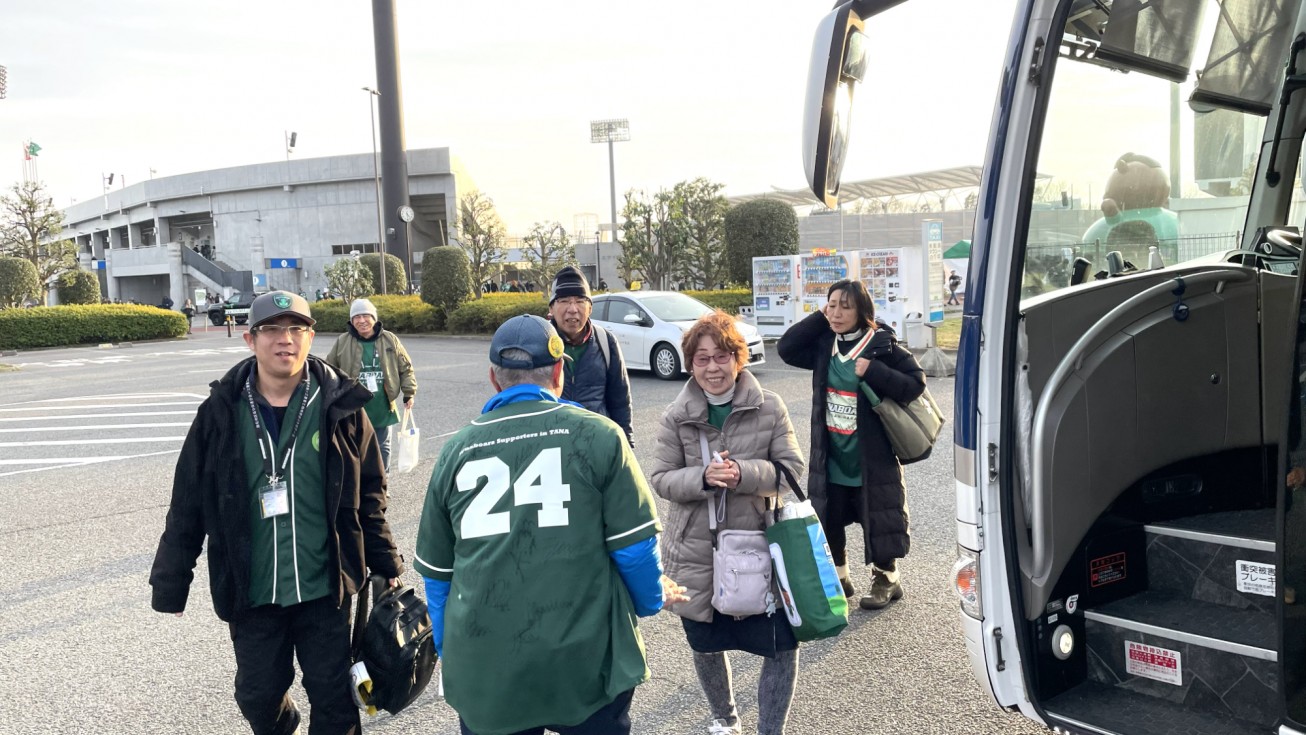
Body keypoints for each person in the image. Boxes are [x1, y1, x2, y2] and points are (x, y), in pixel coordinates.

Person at [414, 314, 686, 735]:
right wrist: (651, 599)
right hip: (586, 658)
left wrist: (451, 647)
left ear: (494, 378)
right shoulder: (601, 435)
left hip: (489, 663)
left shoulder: (456, 450)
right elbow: (634, 549)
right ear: (560, 372)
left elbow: (438, 574)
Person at [149, 290, 404, 735]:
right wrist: (171, 582)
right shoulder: (220, 412)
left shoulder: (342, 408)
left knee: (335, 700)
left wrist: (386, 562)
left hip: (324, 588)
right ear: (250, 339)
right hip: (253, 590)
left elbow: (370, 495)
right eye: (271, 329)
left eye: (296, 329)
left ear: (310, 337)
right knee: (257, 696)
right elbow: (187, 501)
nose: (285, 339)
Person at [650, 311, 806, 735]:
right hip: (698, 550)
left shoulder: (769, 405)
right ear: (691, 364)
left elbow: (792, 470)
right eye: (702, 359)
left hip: (761, 545)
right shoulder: (675, 415)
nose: (713, 368)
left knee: (781, 644)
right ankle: (725, 718)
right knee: (705, 642)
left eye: (722, 356)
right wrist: (702, 478)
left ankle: (770, 729)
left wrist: (744, 474)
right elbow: (661, 479)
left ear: (738, 359)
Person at [776, 279, 926, 611]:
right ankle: (840, 577)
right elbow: (786, 348)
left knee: (879, 515)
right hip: (831, 453)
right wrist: (820, 318)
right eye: (832, 305)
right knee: (830, 516)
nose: (837, 313)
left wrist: (874, 371)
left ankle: (887, 578)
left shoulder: (881, 343)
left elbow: (915, 383)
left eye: (845, 307)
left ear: (862, 311)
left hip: (871, 456)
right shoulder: (825, 344)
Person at [323, 298, 417, 471]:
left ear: (374, 318)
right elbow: (329, 370)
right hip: (353, 406)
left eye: (365, 316)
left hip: (382, 405)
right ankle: (360, 481)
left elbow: (406, 367)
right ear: (351, 321)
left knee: (382, 447)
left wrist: (409, 392)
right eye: (356, 317)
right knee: (356, 448)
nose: (361, 321)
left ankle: (383, 479)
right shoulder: (343, 341)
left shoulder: (390, 339)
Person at [547, 266, 634, 445]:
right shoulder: (539, 342)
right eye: (564, 301)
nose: (572, 309)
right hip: (553, 445)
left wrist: (626, 445)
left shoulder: (605, 341)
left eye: (580, 301)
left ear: (590, 308)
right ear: (551, 308)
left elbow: (620, 402)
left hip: (597, 443)